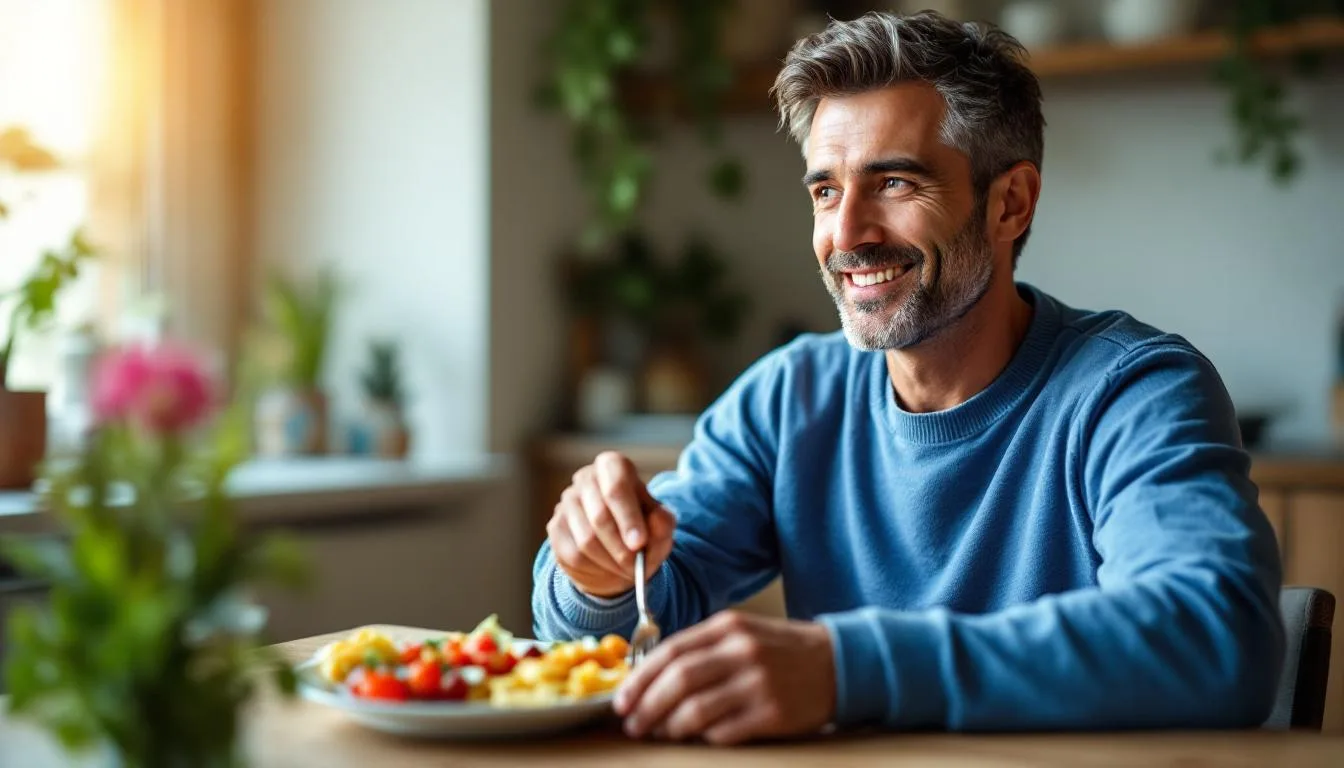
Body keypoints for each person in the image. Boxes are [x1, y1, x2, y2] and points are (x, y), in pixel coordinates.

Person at [530, 10, 1283, 745]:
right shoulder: (786, 401)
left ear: (1010, 203)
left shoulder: (1133, 392)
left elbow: (1216, 637)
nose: (847, 234)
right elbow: (629, 625)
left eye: (893, 183)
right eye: (825, 190)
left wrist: (850, 669)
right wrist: (596, 575)